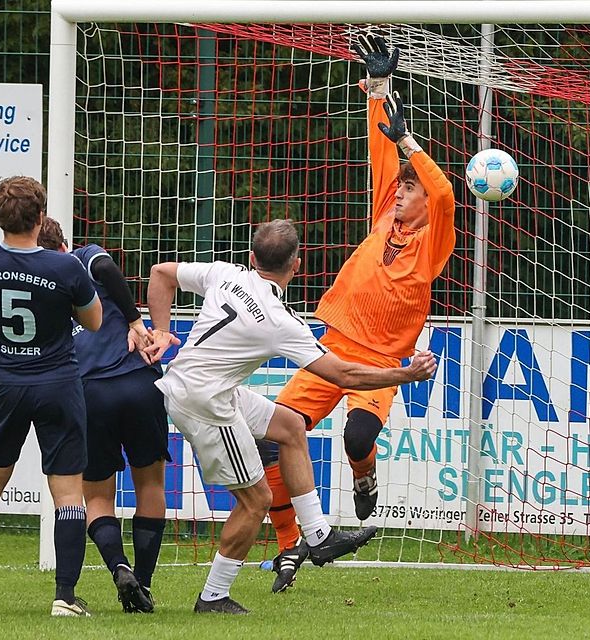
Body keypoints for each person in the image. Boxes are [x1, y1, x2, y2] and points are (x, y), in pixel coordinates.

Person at [143, 218, 438, 614]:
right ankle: (213, 596)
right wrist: (406, 373)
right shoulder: (280, 322)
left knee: (290, 425)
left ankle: (317, 536)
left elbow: (160, 274)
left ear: (251, 257)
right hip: (205, 402)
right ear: (296, 265)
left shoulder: (224, 273)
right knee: (256, 500)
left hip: (199, 385)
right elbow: (344, 374)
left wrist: (160, 331)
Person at [261, 34, 457, 593]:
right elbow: (381, 148)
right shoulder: (384, 214)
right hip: (334, 348)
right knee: (274, 438)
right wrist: (378, 89)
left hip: (378, 361)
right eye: (399, 186)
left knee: (356, 438)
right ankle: (288, 546)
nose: (400, 192)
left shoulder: (433, 236)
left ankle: (363, 479)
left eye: (409, 188)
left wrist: (413, 145)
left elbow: (443, 192)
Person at [0, 176, 102, 617]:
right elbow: (94, 321)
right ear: (42, 217)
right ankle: (64, 597)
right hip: (57, 385)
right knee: (68, 492)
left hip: (5, 384)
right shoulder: (65, 268)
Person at [37, 217, 169, 614]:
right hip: (137, 381)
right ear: (64, 241)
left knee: (96, 496)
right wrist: (135, 321)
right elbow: (108, 269)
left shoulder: (40, 290)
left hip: (89, 392)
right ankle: (142, 585)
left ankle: (119, 567)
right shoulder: (84, 257)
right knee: (151, 484)